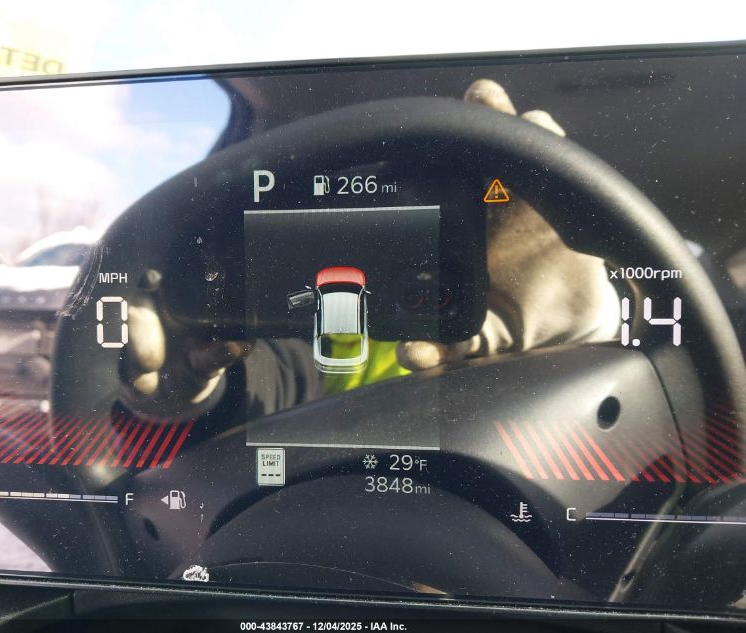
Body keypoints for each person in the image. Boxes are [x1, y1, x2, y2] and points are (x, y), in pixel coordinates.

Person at [118, 80, 621, 423]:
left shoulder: (409, 301)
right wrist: (205, 385)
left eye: (402, 201)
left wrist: (594, 337)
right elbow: (287, 375)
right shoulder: (320, 315)